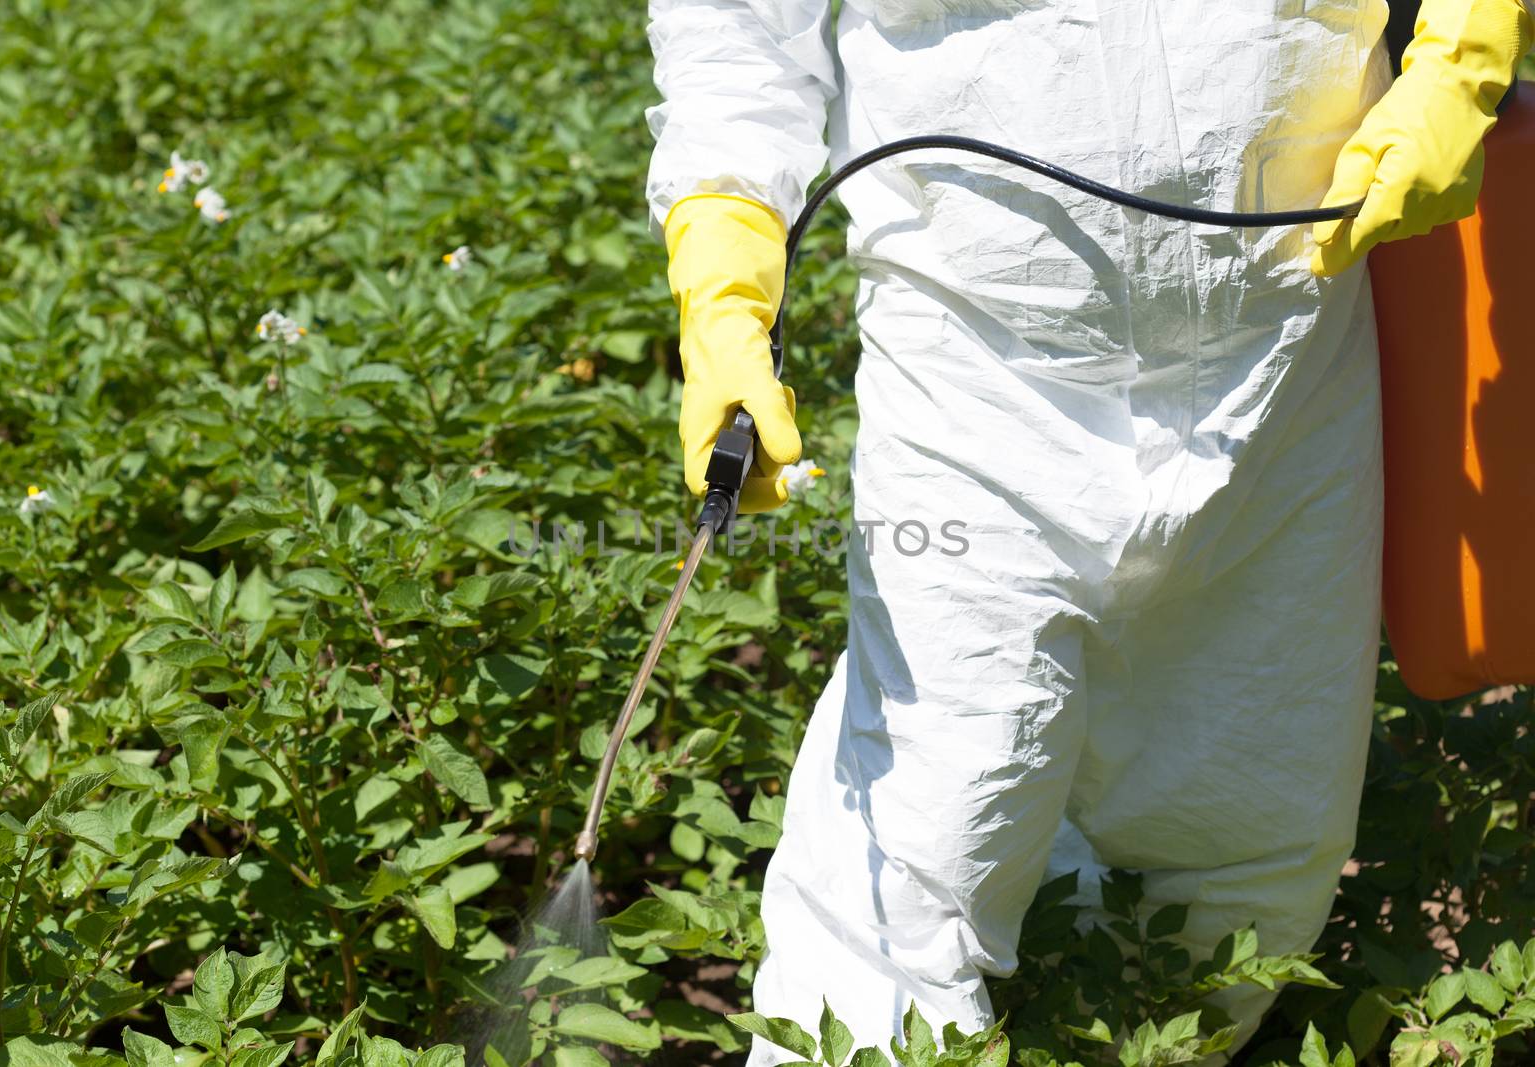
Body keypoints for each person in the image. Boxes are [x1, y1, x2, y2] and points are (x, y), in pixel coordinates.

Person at [644, 0, 1533, 1061]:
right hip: (976, 356)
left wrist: (1463, 46)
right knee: (925, 838)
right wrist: (724, 259)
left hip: (1290, 329)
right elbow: (738, 28)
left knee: (1246, 840)